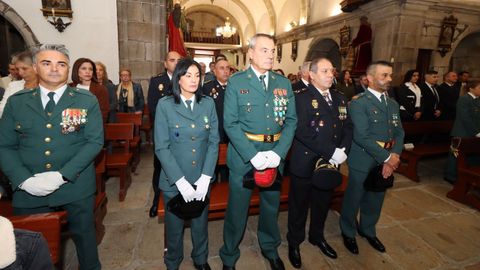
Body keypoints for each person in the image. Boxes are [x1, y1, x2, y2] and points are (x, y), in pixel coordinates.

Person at [0, 44, 103, 270]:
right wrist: (24, 180)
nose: (55, 69)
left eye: (61, 64)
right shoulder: (18, 102)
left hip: (75, 186)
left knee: (86, 242)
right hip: (29, 188)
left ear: (68, 69)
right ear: (36, 67)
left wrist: (62, 176)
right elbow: (4, 146)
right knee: (29, 248)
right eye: (47, 63)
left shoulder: (85, 101)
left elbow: (94, 142)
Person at [219, 33, 297, 270]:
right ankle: (229, 254)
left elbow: (291, 121)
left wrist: (278, 153)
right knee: (237, 208)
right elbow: (229, 123)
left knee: (271, 206)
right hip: (245, 156)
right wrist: (252, 155)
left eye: (273, 50)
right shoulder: (237, 82)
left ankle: (270, 247)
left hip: (274, 154)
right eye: (264, 50)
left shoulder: (283, 83)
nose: (271, 55)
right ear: (250, 53)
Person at [287, 58, 353, 268]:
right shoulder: (300, 98)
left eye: (331, 71)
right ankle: (294, 242)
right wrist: (332, 151)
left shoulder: (340, 97)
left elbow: (348, 126)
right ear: (311, 75)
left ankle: (317, 236)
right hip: (306, 161)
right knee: (299, 206)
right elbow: (302, 130)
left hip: (331, 162)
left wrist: (343, 150)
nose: (330, 74)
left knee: (322, 203)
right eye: (324, 71)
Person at [155, 58, 219, 270]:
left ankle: (201, 259)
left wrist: (206, 177)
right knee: (174, 228)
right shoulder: (165, 105)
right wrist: (180, 181)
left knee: (200, 225)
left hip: (201, 176)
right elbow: (162, 147)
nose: (194, 80)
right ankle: (172, 261)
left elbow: (213, 142)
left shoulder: (207, 103)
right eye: (188, 75)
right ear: (178, 78)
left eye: (197, 75)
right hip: (175, 180)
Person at [339, 61, 404, 255]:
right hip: (363, 158)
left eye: (390, 75)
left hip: (387, 156)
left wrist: (395, 155)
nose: (389, 79)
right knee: (355, 196)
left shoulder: (392, 103)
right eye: (384, 75)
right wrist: (387, 158)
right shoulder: (359, 102)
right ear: (370, 79)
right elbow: (361, 136)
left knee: (376, 196)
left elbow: (399, 132)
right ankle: (348, 231)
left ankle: (368, 229)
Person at [147, 50, 182, 218]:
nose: (175, 63)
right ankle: (156, 199)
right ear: (165, 63)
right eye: (172, 60)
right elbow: (153, 109)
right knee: (159, 167)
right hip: (163, 133)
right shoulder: (157, 81)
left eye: (178, 60)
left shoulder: (186, 79)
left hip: (182, 134)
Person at [444, 80, 480, 183]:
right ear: (471, 88)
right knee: (455, 155)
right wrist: (476, 132)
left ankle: (468, 176)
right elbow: (465, 118)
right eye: (479, 88)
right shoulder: (464, 99)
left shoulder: (477, 100)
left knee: (473, 155)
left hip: (474, 133)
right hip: (462, 133)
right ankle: (450, 176)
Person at [0, 50, 38, 118]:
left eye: (24, 68)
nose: (20, 73)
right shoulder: (13, 86)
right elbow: (2, 110)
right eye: (18, 69)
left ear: (36, 67)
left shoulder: (48, 86)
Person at [70, 58, 110, 122]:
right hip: (71, 127)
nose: (87, 71)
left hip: (93, 127)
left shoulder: (100, 89)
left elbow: (103, 113)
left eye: (90, 69)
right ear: (76, 70)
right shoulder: (69, 87)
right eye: (84, 68)